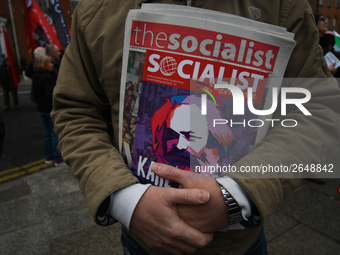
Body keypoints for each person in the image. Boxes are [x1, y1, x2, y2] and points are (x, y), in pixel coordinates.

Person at [51, 1, 340, 254]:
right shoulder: (96, 8)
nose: (177, 145)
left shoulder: (282, 5)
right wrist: (127, 200)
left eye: (189, 134)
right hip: (141, 242)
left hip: (240, 245)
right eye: (172, 134)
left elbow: (317, 110)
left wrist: (236, 195)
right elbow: (76, 111)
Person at [33, 55, 63, 166]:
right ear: (44, 64)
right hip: (49, 109)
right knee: (54, 133)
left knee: (47, 133)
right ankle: (58, 158)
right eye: (50, 63)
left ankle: (48, 157)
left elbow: (34, 94)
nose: (52, 65)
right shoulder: (48, 77)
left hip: (41, 108)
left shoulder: (36, 76)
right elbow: (51, 94)